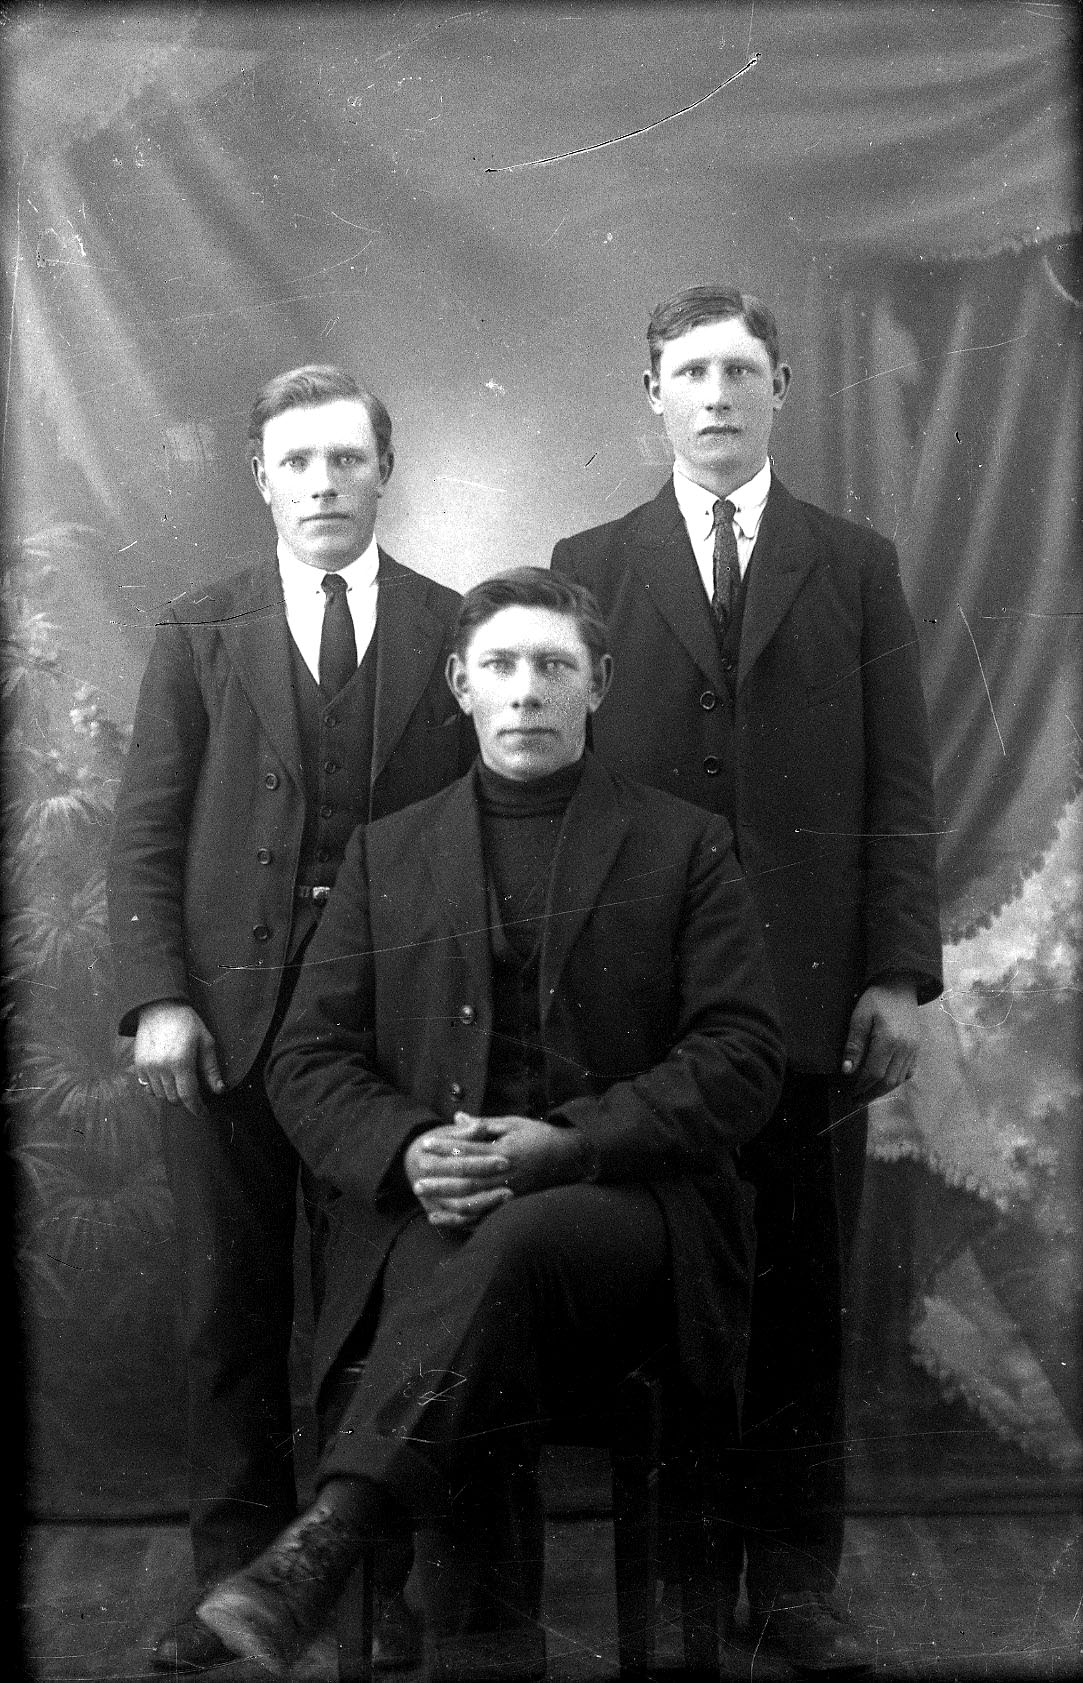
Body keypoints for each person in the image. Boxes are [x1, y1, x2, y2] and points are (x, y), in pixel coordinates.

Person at [193, 567, 786, 1681]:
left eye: (554, 665)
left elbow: (741, 1056)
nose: (526, 690)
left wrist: (568, 1144)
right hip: (441, 1215)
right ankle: (481, 1648)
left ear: (597, 684)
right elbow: (309, 1057)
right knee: (467, 1254)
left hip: (630, 1220)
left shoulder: (684, 844)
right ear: (460, 685)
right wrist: (407, 1147)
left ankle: (330, 1538)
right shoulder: (387, 852)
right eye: (500, 666)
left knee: (502, 1237)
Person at [550, 285, 943, 1674]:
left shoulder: (854, 564)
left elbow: (899, 782)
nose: (714, 396)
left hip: (814, 1002)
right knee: (664, 1303)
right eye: (688, 372)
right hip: (648, 1012)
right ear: (650, 394)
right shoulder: (590, 560)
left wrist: (896, 975)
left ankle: (788, 1584)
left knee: (796, 1305)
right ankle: (674, 1582)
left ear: (781, 389)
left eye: (738, 371)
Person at [107, 364, 472, 1672]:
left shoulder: (450, 627)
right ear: (261, 477)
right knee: (230, 1311)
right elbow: (146, 831)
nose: (324, 483)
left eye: (347, 459)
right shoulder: (200, 628)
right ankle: (229, 1585)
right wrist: (160, 996)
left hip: (387, 1036)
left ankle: (371, 1589)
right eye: (299, 461)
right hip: (225, 1026)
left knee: (381, 1314)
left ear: (385, 472)